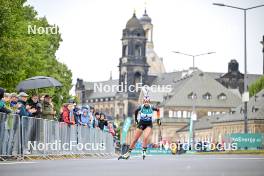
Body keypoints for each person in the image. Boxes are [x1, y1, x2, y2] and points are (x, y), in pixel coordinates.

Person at [118, 96, 161, 160]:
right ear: (143, 102)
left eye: (147, 102)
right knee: (135, 139)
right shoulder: (141, 107)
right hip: (141, 124)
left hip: (149, 124)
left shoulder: (152, 107)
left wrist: (158, 119)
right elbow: (136, 112)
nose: (146, 103)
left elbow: (158, 110)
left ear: (149, 102)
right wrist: (136, 120)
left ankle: (143, 151)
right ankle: (128, 154)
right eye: (145, 102)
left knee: (146, 137)